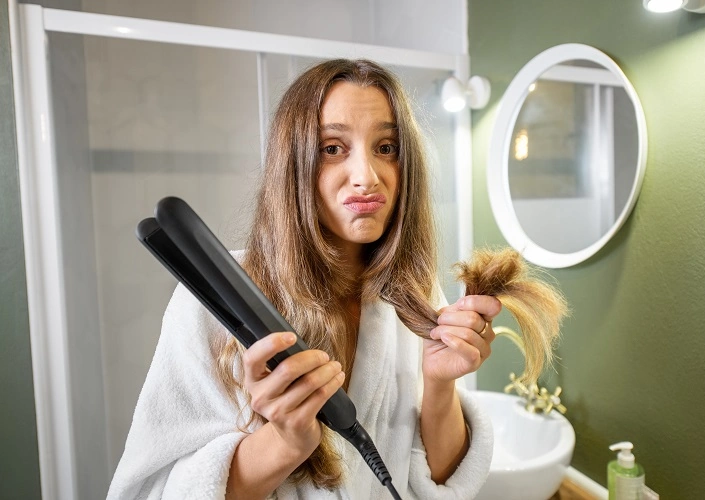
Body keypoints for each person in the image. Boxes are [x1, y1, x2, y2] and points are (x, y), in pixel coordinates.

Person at [107, 59, 502, 500]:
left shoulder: (411, 294)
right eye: (333, 148)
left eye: (386, 147)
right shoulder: (208, 303)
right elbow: (153, 493)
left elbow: (439, 483)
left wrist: (440, 384)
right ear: (294, 164)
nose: (367, 177)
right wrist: (284, 443)